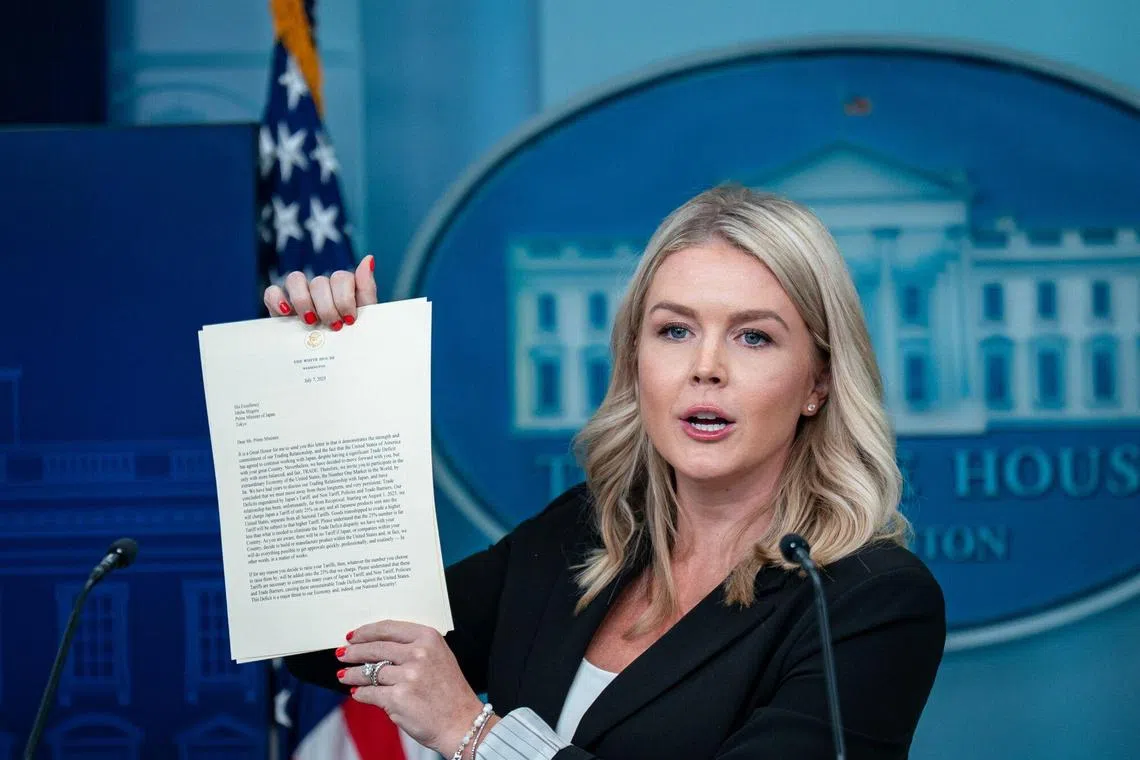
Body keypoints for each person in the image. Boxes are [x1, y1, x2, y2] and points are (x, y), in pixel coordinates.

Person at [268, 185, 946, 760]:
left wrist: (476, 735)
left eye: (754, 337)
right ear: (634, 359)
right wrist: (333, 388)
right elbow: (327, 645)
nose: (705, 367)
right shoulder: (582, 531)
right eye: (675, 330)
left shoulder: (870, 601)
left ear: (817, 383)